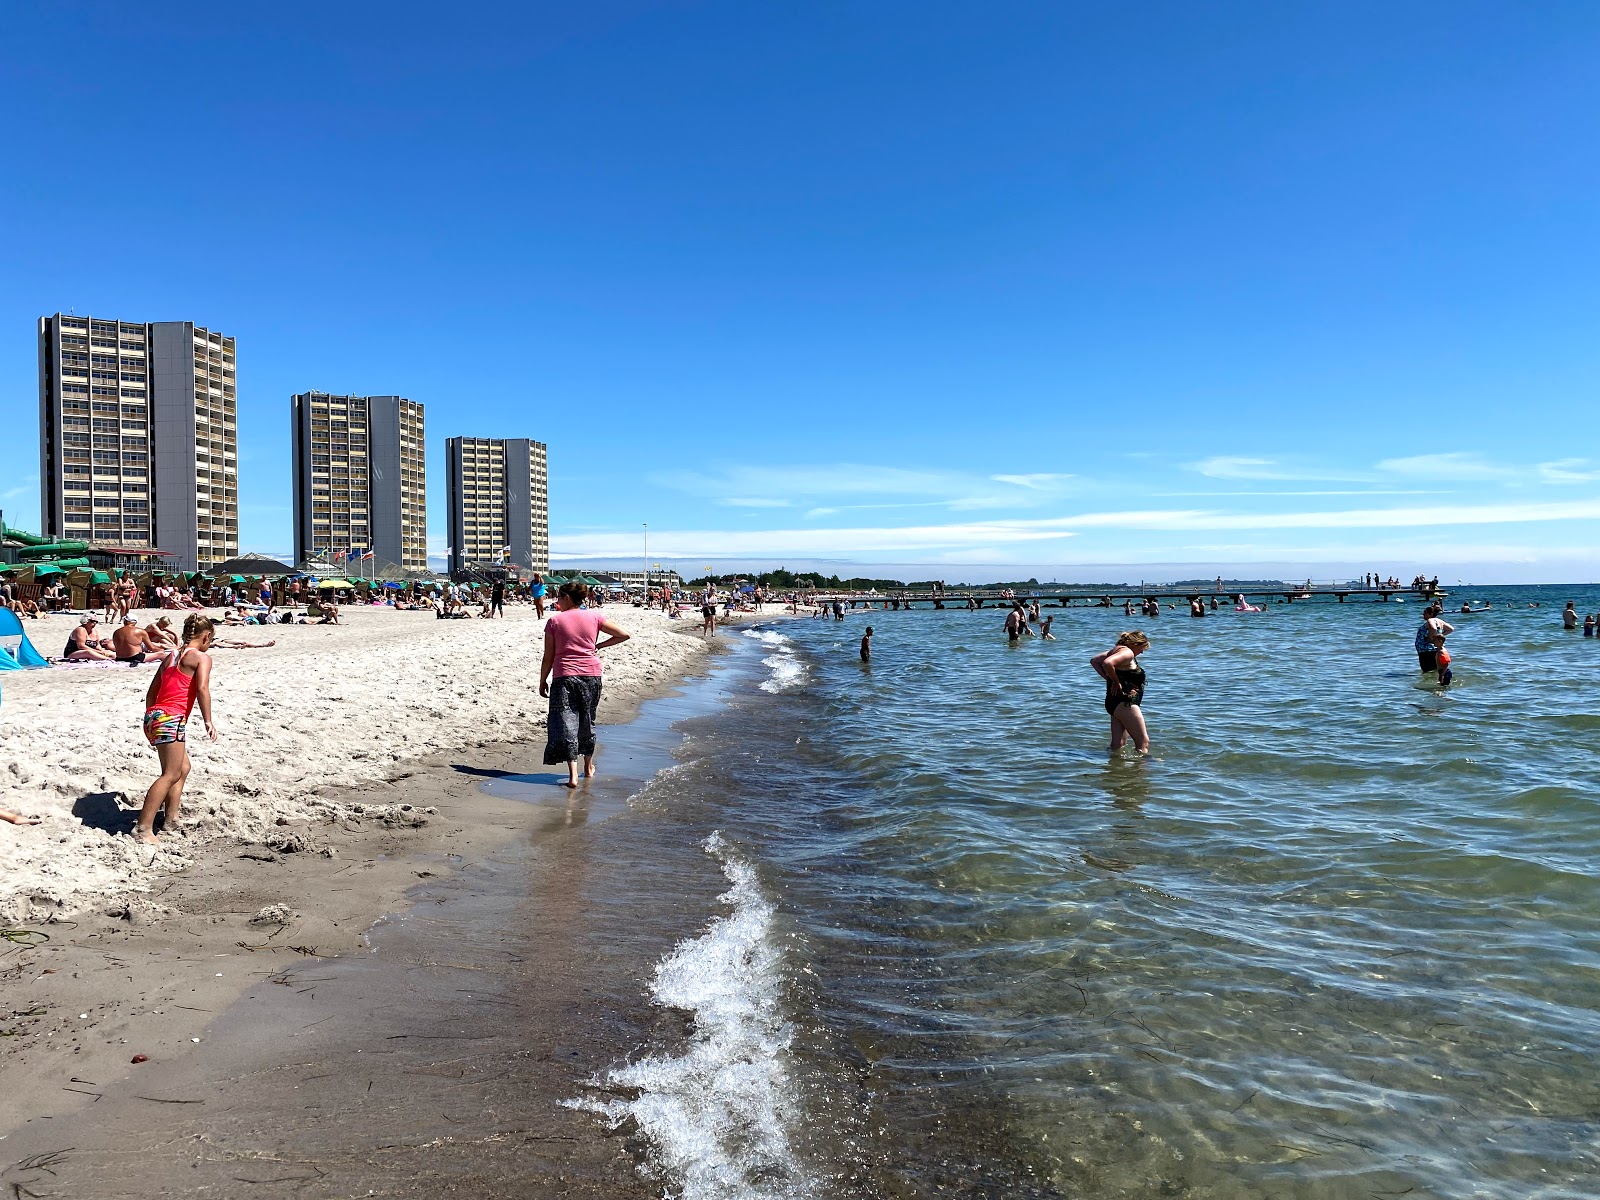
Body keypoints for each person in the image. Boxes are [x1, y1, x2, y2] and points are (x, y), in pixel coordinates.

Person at [135, 614, 217, 845]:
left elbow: (152, 692)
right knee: (170, 774)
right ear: (206, 636)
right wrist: (208, 720)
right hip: (171, 718)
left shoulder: (170, 655)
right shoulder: (201, 658)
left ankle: (171, 819)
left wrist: (153, 718)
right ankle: (143, 828)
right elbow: (202, 689)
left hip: (154, 716)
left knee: (183, 767)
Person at [540, 582, 631, 788]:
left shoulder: (554, 621)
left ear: (567, 598)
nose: (557, 601)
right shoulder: (595, 617)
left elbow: (548, 657)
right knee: (587, 719)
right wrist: (597, 645)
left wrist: (542, 680)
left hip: (564, 675)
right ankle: (588, 768)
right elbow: (623, 635)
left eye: (559, 597)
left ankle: (572, 776)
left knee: (567, 722)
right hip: (591, 674)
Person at [1090, 631, 1151, 754]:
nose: (1142, 652)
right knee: (1143, 742)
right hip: (1126, 703)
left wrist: (1110, 679)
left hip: (1114, 703)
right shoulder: (1127, 652)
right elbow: (1108, 663)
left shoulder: (1116, 650)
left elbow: (1095, 661)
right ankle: (1141, 771)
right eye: (1142, 648)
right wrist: (1115, 682)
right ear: (1135, 643)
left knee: (1118, 744)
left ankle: (1115, 770)